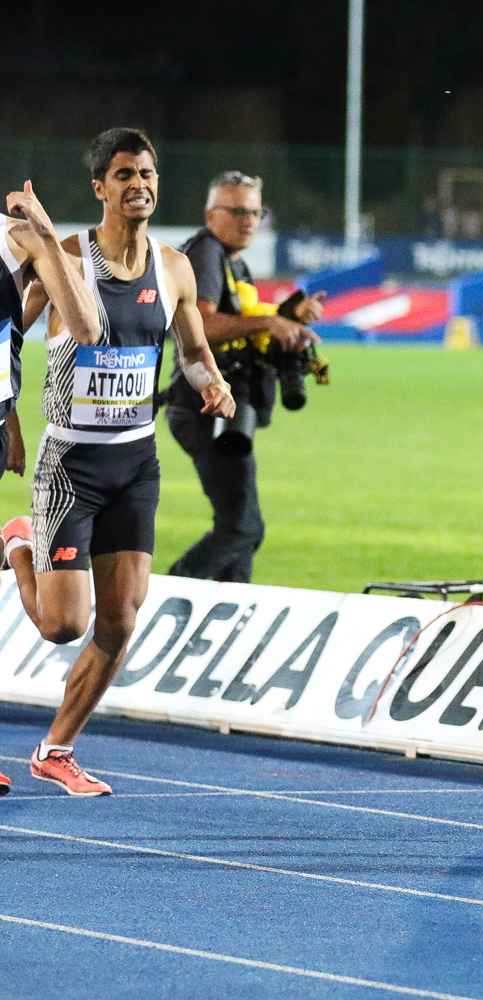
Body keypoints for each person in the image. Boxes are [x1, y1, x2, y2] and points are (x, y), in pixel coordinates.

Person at [3, 128, 234, 796]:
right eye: (125, 174)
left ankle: (56, 749)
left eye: (148, 174)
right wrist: (9, 418)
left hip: (135, 463)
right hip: (70, 464)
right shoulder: (64, 257)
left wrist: (213, 383)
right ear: (100, 188)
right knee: (62, 625)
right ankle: (19, 543)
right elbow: (8, 332)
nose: (139, 185)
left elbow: (193, 352)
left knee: (121, 618)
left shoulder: (175, 269)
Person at [165, 171, 322, 582]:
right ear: (210, 215)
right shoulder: (207, 253)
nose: (248, 221)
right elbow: (199, 325)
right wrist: (269, 322)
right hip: (205, 406)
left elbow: (239, 325)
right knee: (242, 528)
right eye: (236, 211)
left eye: (255, 212)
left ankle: (231, 610)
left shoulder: (232, 260)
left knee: (241, 530)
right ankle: (165, 595)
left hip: (219, 408)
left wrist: (286, 317)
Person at [0, 179, 103, 796]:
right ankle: (17, 546)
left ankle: (17, 545)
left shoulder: (14, 240)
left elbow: (84, 325)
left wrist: (42, 234)